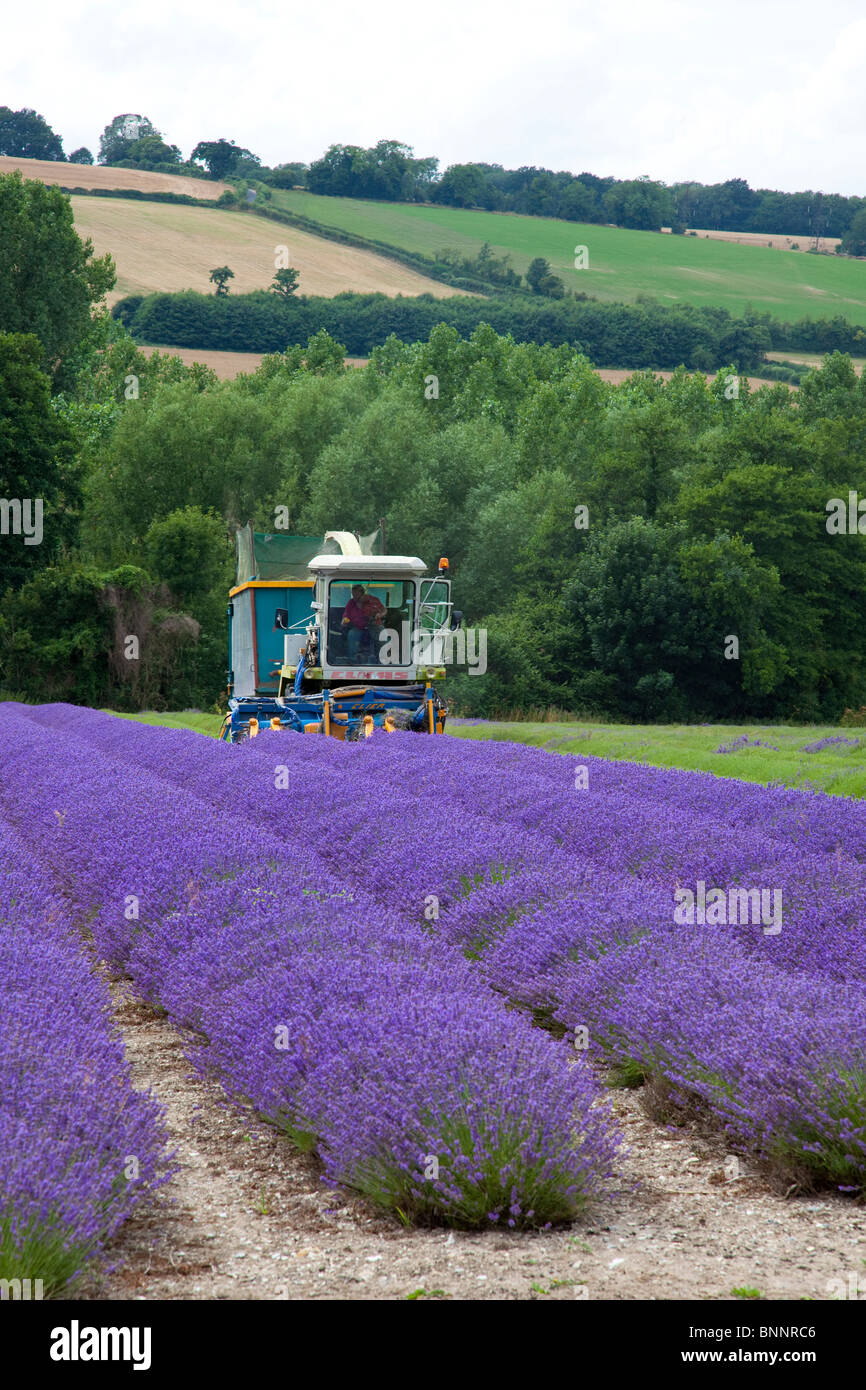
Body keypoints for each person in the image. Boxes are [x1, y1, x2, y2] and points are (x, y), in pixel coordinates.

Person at [341, 584, 385, 662]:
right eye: (353, 594)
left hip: (374, 625)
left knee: (382, 635)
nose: (354, 597)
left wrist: (379, 615)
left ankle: (382, 659)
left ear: (362, 593)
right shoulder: (351, 602)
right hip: (358, 627)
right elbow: (346, 614)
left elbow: (384, 610)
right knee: (351, 635)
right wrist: (344, 619)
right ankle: (352, 659)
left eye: (356, 594)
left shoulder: (374, 600)